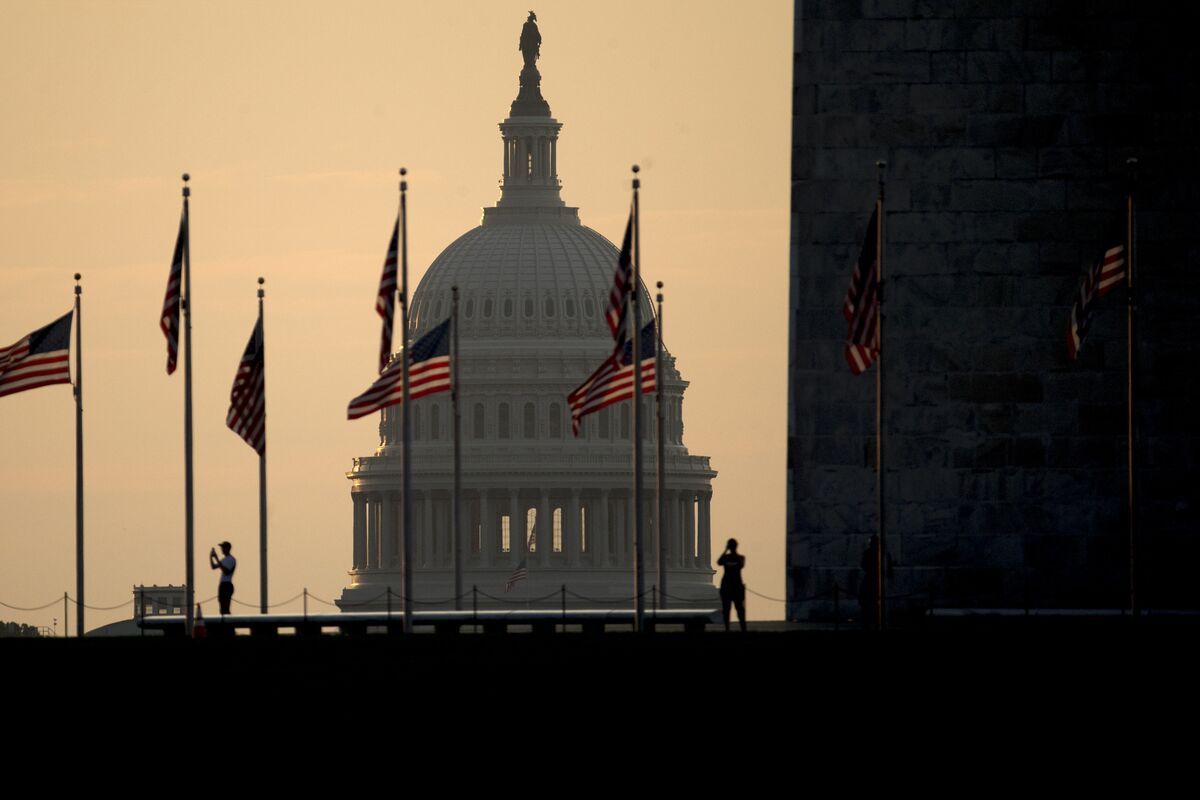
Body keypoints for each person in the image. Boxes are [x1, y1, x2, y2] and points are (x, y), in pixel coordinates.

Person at [717, 538, 747, 632]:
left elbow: (741, 565)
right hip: (727, 586)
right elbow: (719, 562)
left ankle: (743, 629)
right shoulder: (725, 557)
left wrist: (734, 552)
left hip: (736, 587)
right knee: (726, 610)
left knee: (740, 609)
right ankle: (727, 629)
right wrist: (726, 550)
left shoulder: (741, 557)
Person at [210, 541, 236, 616]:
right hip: (222, 584)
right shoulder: (224, 559)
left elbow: (226, 572)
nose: (222, 549)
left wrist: (216, 558)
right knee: (222, 607)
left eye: (223, 547)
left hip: (227, 585)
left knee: (225, 607)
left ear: (228, 548)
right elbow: (213, 567)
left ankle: (228, 625)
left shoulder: (231, 559)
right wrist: (211, 557)